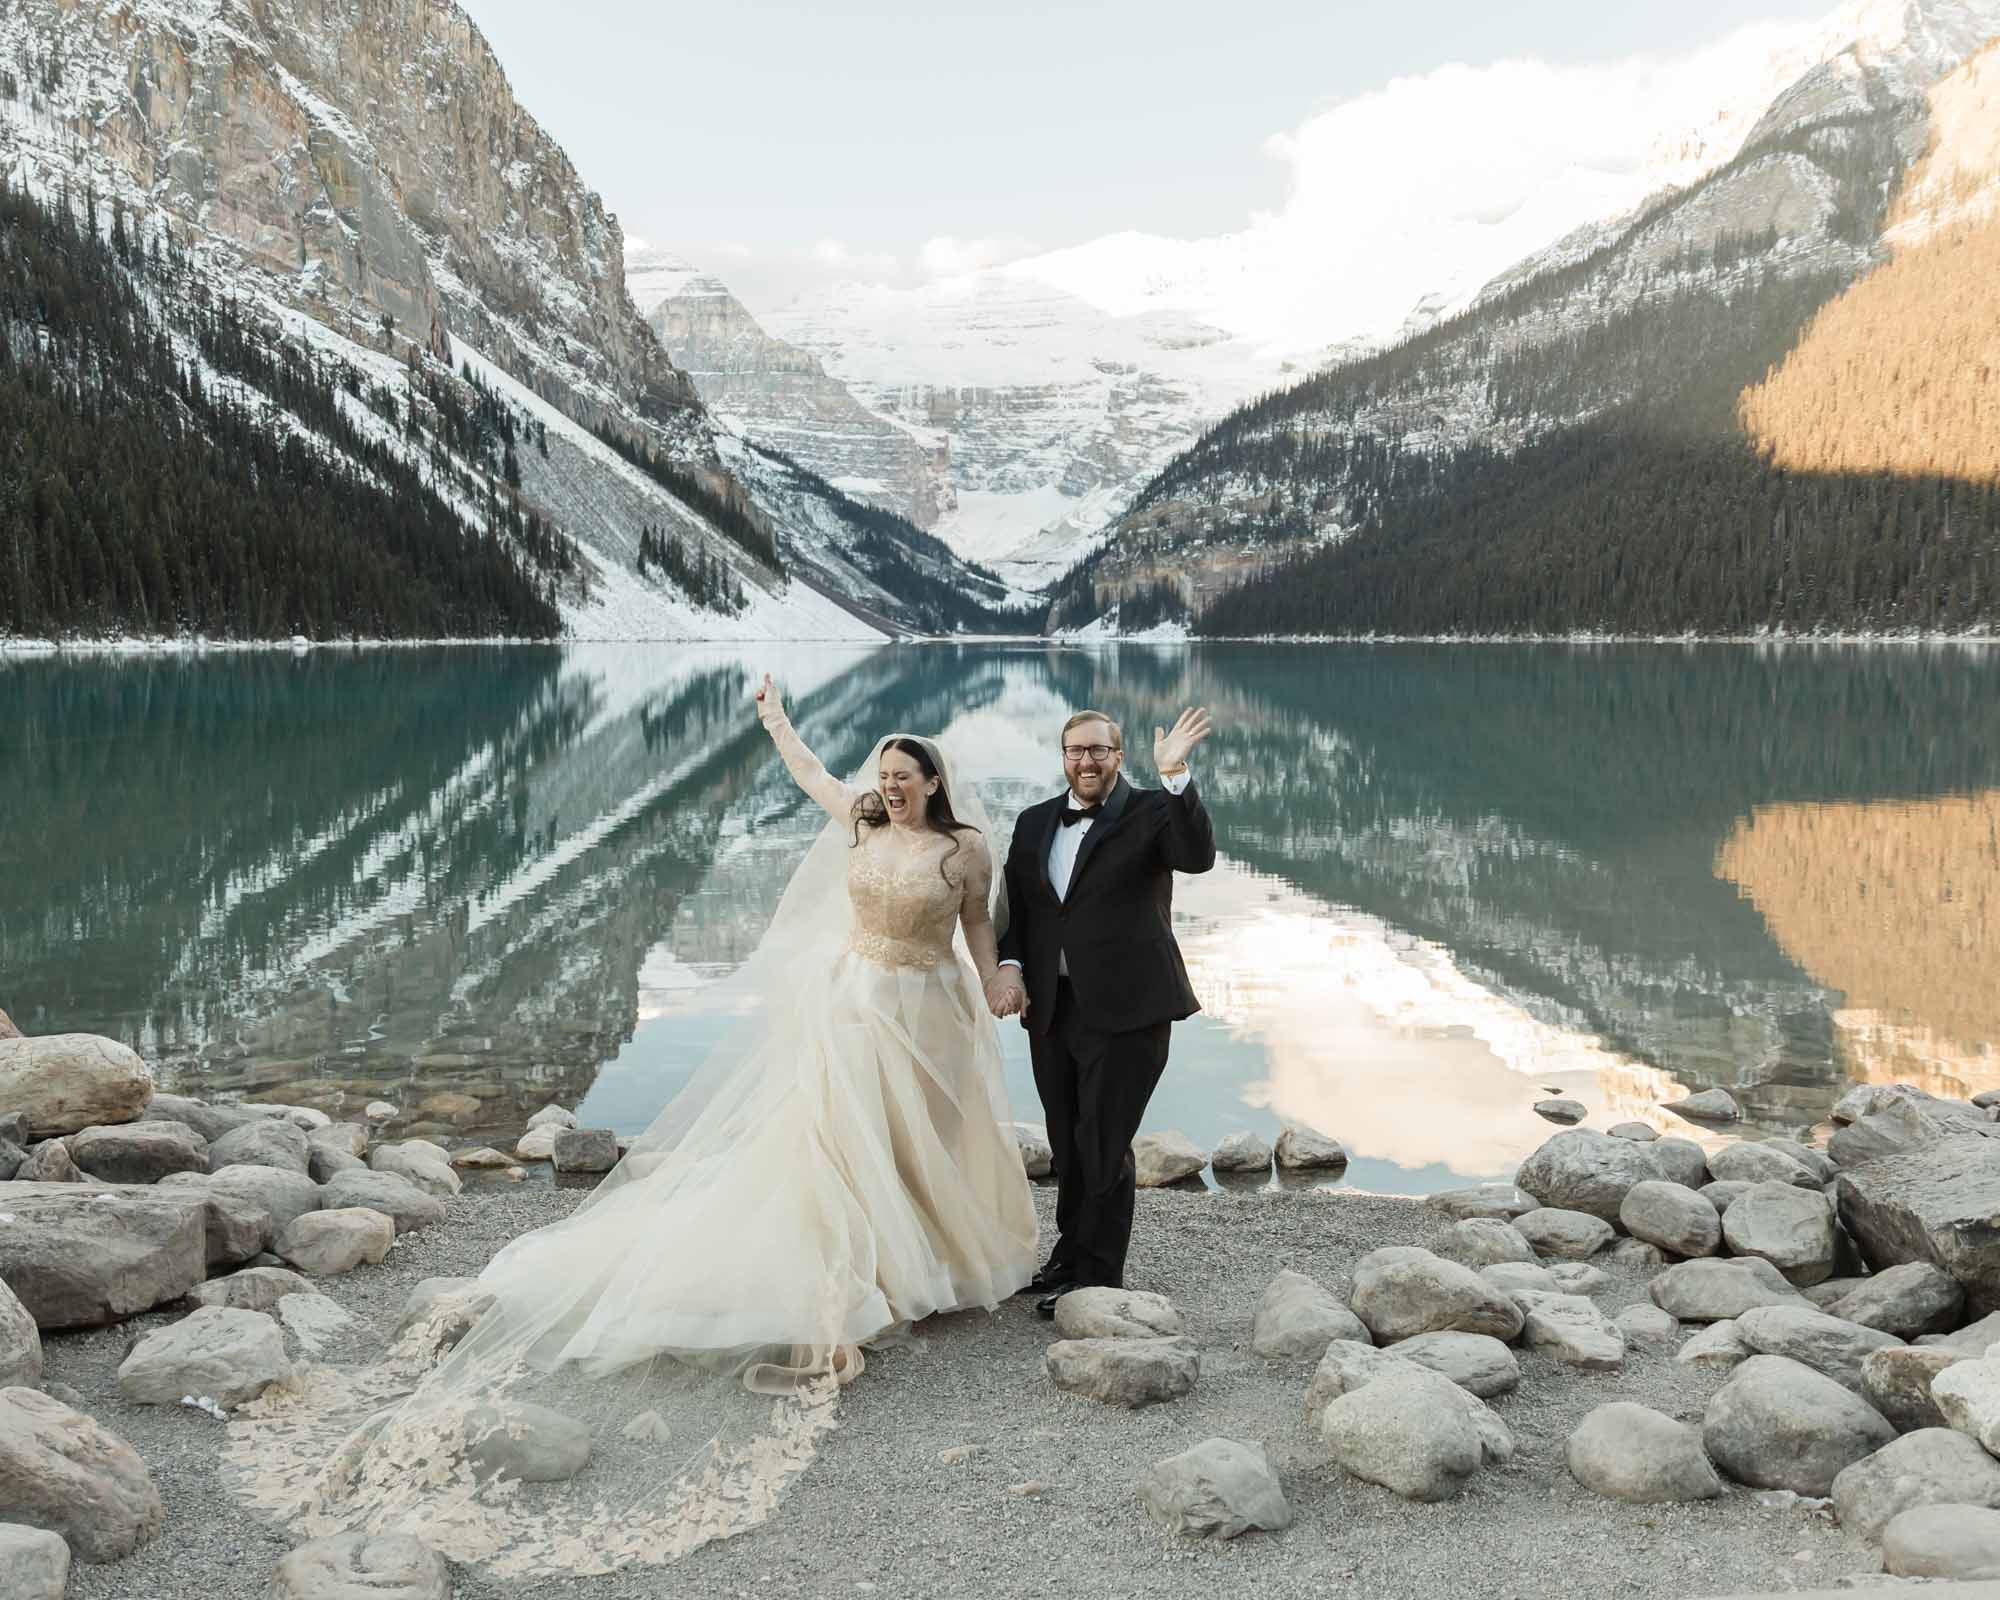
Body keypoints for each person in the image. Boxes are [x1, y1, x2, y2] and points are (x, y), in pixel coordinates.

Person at [226, 675, 1036, 1579]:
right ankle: (856, 1271)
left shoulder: (964, 848)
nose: (889, 785)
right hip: (848, 1009)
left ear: (932, 782)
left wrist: (998, 979)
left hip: (925, 1009)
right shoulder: (856, 820)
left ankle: (916, 1250)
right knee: (837, 1141)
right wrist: (773, 717)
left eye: (903, 776)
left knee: (912, 1137)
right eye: (883, 773)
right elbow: (807, 772)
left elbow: (975, 928)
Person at [985, 706, 1215, 1317]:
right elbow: (1019, 914)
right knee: (1066, 1138)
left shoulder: (1149, 812)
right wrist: (1009, 966)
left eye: (1098, 750)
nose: (1086, 760)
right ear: (1062, 757)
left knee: (1103, 1140)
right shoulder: (1035, 822)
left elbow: (1196, 856)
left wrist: (1177, 778)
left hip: (1130, 1006)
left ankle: (1097, 1276)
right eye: (1074, 750)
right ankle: (1069, 1254)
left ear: (1118, 755)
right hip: (1053, 1009)